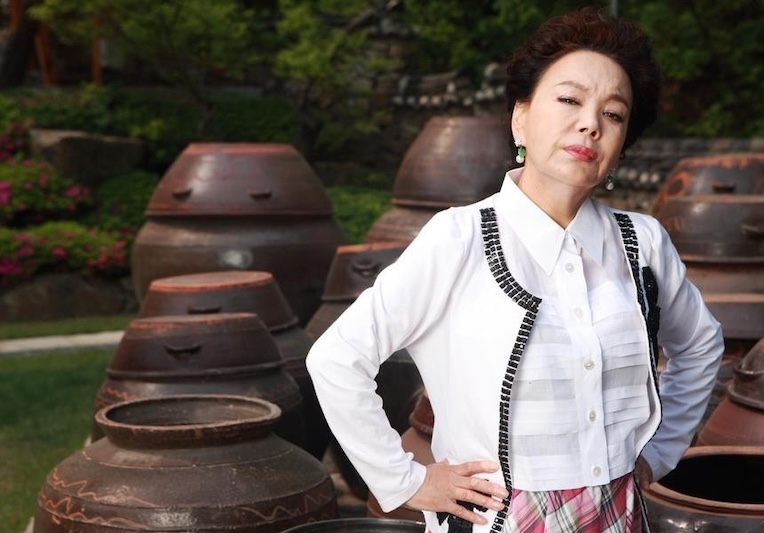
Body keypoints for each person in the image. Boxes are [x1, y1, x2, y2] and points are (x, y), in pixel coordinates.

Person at [306, 6, 724, 533]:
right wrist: (406, 482)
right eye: (569, 100)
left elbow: (701, 345)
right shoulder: (459, 239)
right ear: (520, 117)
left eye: (614, 114)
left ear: (620, 148)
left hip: (620, 516)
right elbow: (337, 358)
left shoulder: (643, 243)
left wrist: (658, 452)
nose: (590, 123)